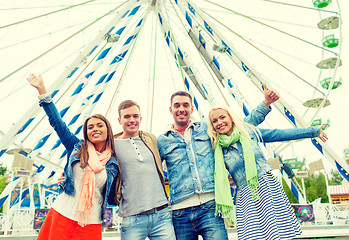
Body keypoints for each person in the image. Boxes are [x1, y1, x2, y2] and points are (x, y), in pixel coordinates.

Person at [157, 85, 279, 239]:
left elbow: (240, 125)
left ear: (192, 109)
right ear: (170, 110)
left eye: (185, 105)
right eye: (177, 105)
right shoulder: (162, 140)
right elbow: (149, 167)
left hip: (210, 207)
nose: (181, 109)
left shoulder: (206, 129)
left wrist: (266, 103)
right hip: (180, 211)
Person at [207, 105, 328, 240]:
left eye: (222, 117)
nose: (219, 122)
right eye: (215, 121)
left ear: (231, 117)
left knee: (278, 232)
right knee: (252, 235)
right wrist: (229, 177)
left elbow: (280, 134)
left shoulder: (248, 132)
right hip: (246, 194)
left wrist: (313, 131)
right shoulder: (217, 148)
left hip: (266, 186)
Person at [27, 74, 119, 240]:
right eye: (90, 127)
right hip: (63, 212)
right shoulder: (77, 147)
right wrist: (42, 90)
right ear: (86, 132)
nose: (95, 129)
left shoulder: (114, 161)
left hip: (91, 221)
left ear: (108, 130)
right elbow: (57, 123)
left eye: (100, 125)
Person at [113, 99, 175, 240]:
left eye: (135, 116)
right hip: (132, 217)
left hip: (161, 215)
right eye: (127, 116)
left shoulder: (150, 139)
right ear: (119, 120)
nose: (132, 120)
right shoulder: (112, 147)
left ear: (140, 118)